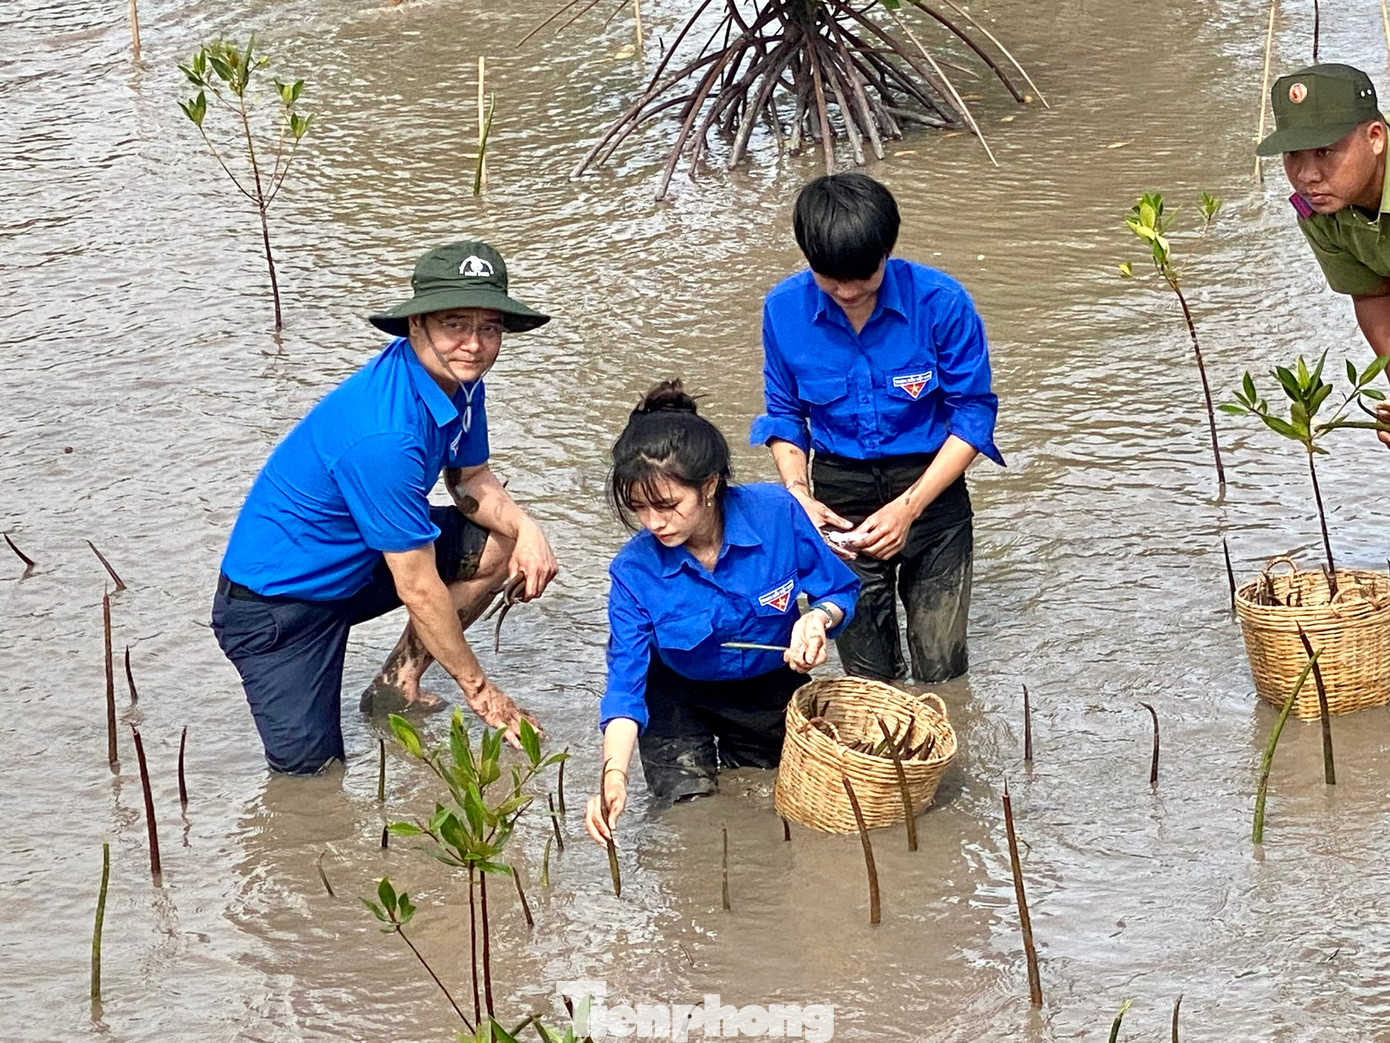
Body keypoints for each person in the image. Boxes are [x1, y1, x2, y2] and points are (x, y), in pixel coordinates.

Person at [212, 240, 558, 775]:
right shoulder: (385, 435)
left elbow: (470, 480)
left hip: (357, 565)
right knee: (313, 781)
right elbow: (418, 587)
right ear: (415, 325)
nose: (474, 344)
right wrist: (484, 694)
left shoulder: (459, 382)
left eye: (489, 327)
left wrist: (526, 529)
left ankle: (396, 687)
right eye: (454, 324)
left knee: (500, 545)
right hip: (278, 609)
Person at [750, 173, 1002, 687]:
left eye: (861, 277)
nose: (845, 291)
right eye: (829, 278)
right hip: (839, 493)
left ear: (887, 251)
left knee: (942, 667)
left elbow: (973, 415)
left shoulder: (942, 304)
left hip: (932, 488)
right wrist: (797, 494)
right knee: (867, 673)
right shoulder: (782, 311)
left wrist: (910, 507)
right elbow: (783, 412)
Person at [584, 381, 860, 845]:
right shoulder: (633, 571)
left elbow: (840, 590)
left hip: (766, 690)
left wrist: (817, 619)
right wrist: (615, 776)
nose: (654, 523)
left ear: (709, 486)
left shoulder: (777, 514)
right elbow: (626, 686)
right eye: (639, 509)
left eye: (668, 506)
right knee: (692, 822)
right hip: (676, 697)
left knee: (769, 817)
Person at [1256, 62, 1390, 447]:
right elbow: (1373, 292)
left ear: (1375, 137)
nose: (1307, 175)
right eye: (1293, 155)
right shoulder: (1317, 209)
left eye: (1325, 151)